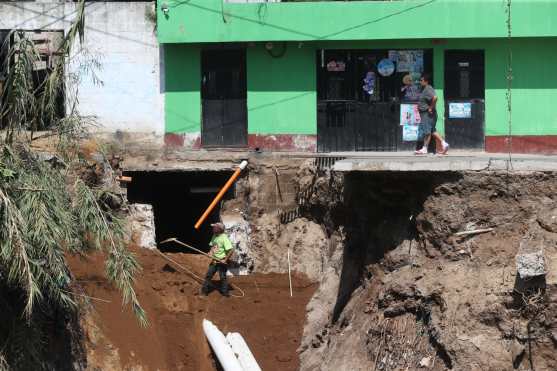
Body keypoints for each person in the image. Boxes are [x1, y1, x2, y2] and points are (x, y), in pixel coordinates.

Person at [415, 74, 449, 155]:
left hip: (427, 114)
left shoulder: (428, 88)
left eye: (421, 80)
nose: (420, 82)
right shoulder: (424, 89)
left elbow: (435, 97)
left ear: (426, 81)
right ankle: (444, 144)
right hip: (426, 114)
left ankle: (424, 148)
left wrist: (430, 107)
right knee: (432, 130)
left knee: (427, 132)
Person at [201, 222, 234, 297]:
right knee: (208, 275)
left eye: (214, 227)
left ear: (219, 229)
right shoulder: (214, 236)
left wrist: (225, 259)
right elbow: (213, 246)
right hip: (214, 260)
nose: (213, 228)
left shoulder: (224, 238)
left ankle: (225, 293)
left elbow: (231, 250)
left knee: (223, 277)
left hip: (221, 261)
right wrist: (210, 252)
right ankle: (204, 292)